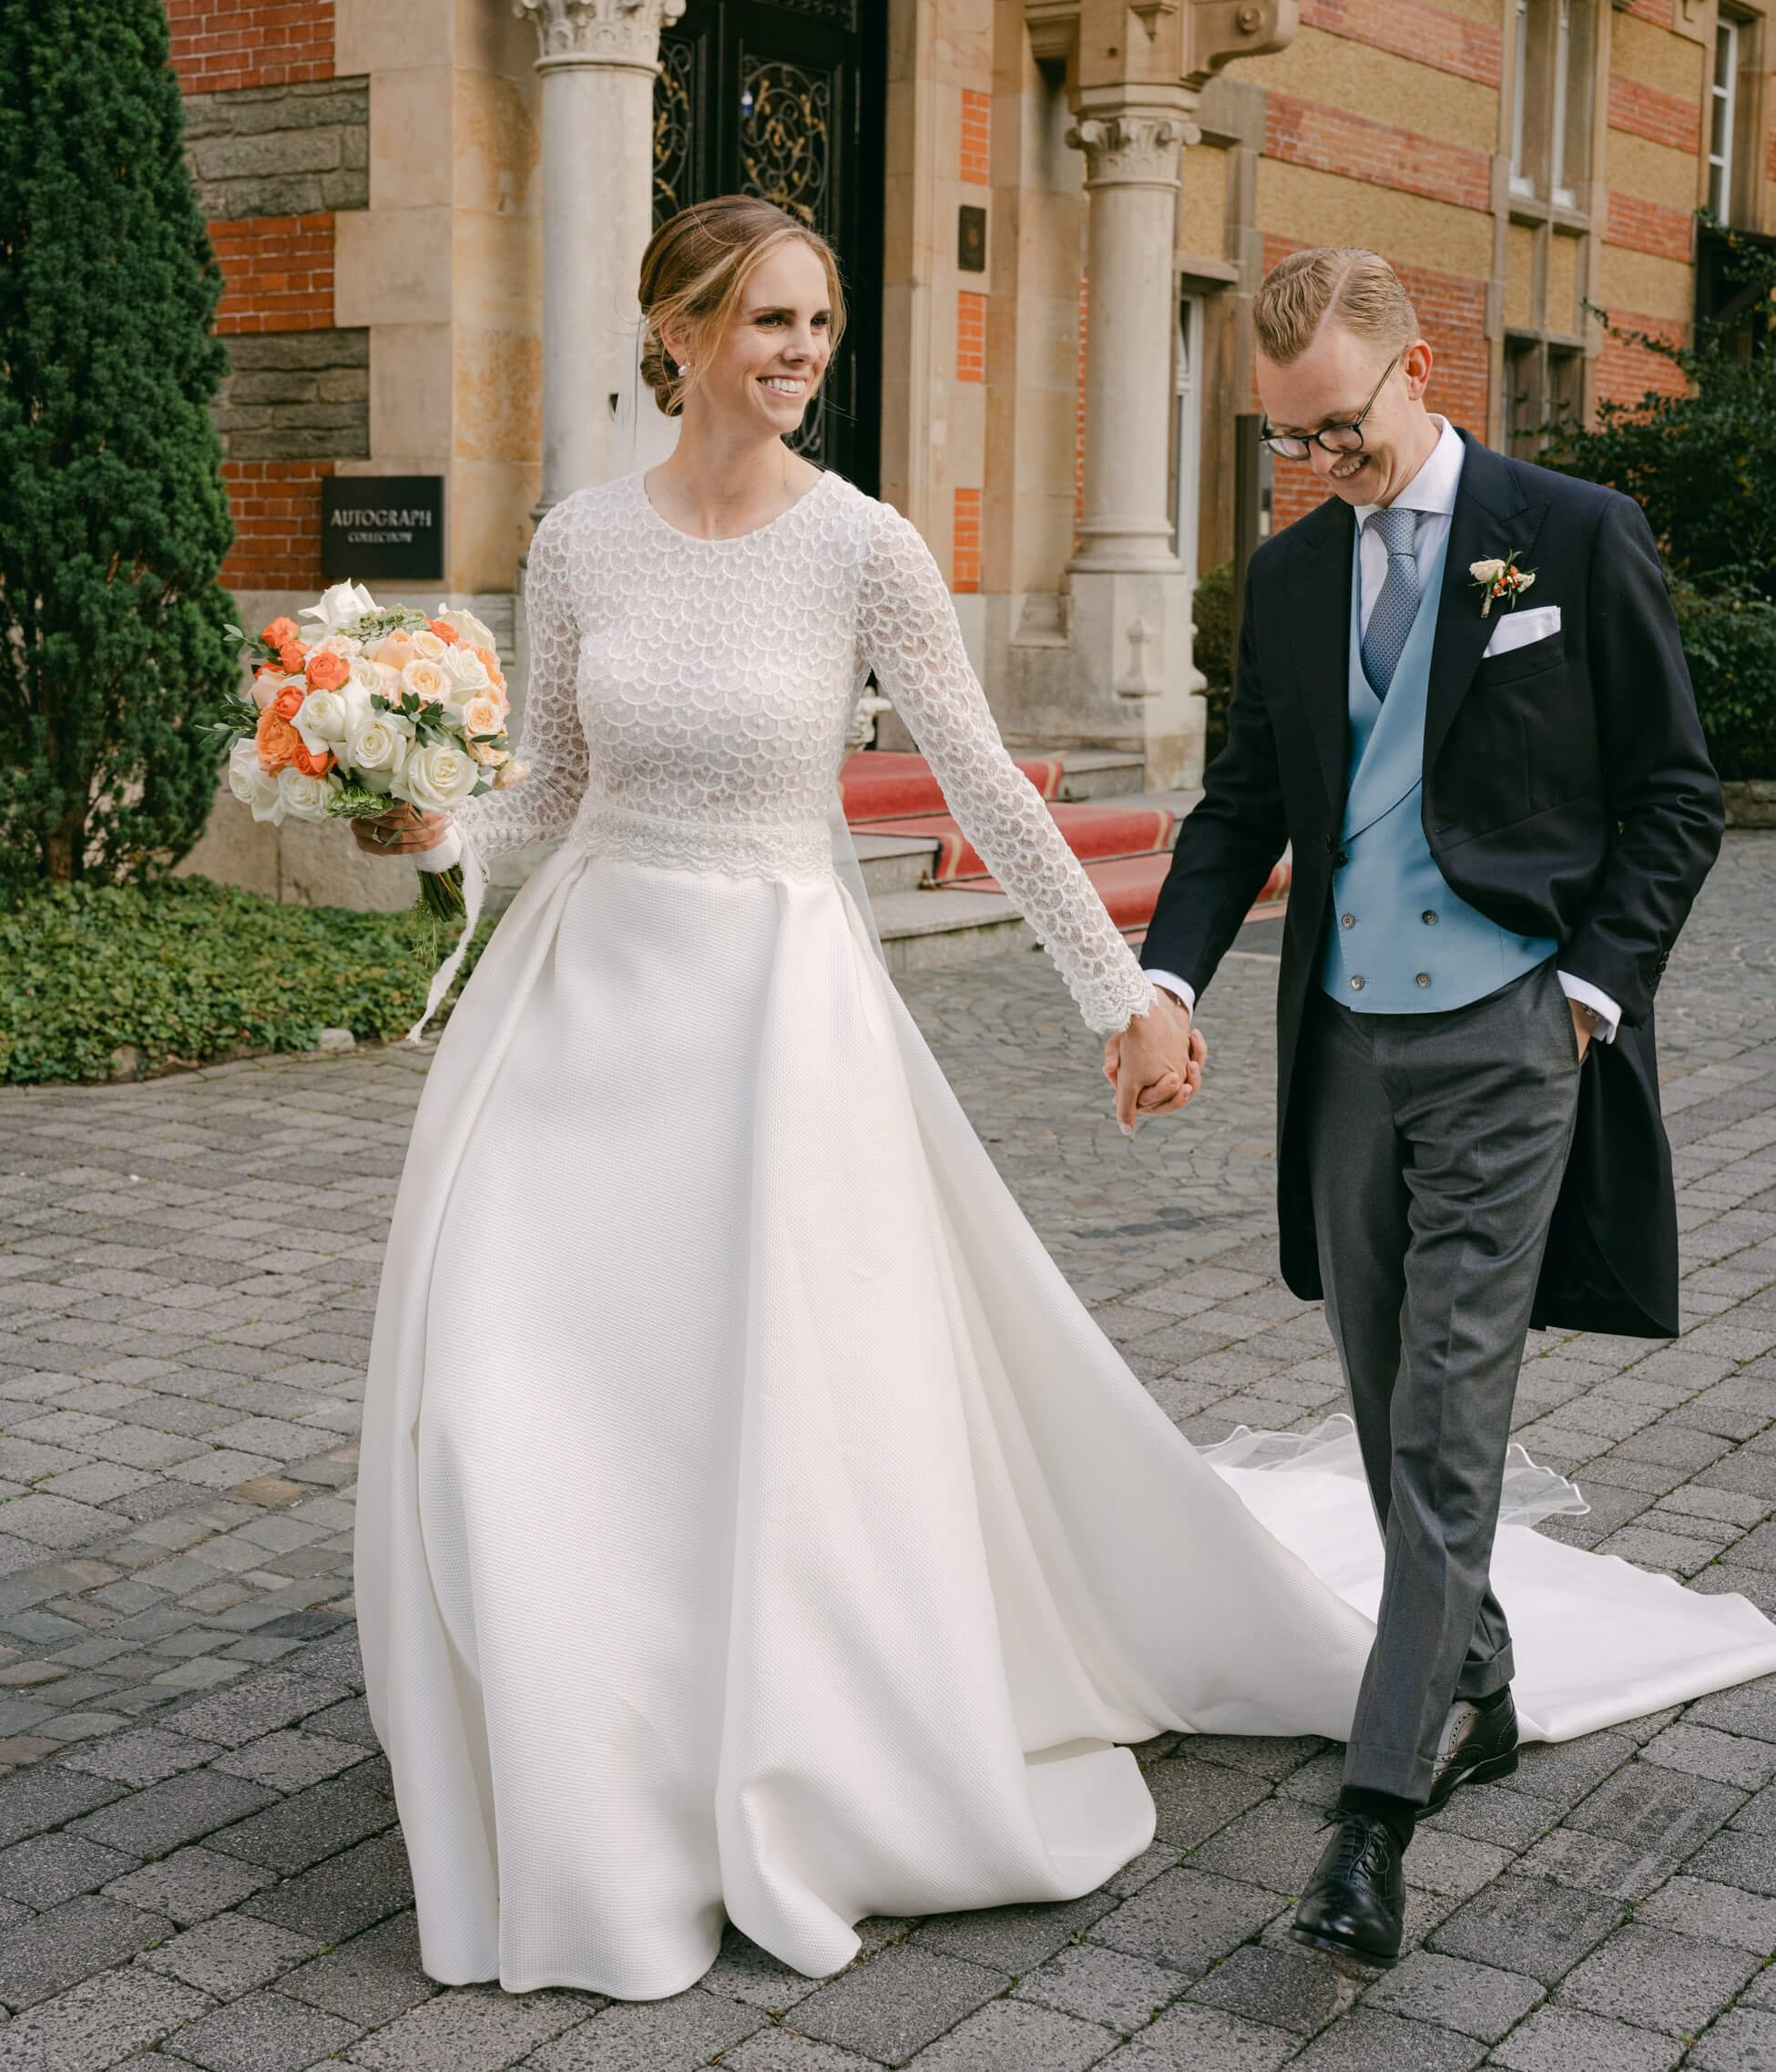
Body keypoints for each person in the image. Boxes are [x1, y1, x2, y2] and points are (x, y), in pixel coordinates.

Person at [352, 202, 1776, 2002]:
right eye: (771, 322)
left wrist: (1128, 994)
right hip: (580, 1024)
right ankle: (574, 1753)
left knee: (782, 1413)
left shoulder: (862, 547)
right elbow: (548, 777)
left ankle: (1343, 1792)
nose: (801, 352)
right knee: (506, 1407)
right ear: (678, 330)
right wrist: (431, 820)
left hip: (787, 1028)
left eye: (819, 323)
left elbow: (994, 791)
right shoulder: (574, 547)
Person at [1126, 244, 1730, 1965]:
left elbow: (1674, 796)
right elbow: (1243, 808)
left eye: (1339, 427)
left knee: (1448, 1419)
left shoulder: (1574, 530)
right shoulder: (1295, 577)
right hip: (1342, 1048)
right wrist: (1167, 981)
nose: (1323, 463)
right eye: (1289, 441)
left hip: (1508, 1041)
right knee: (1386, 1397)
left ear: (1413, 363)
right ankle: (1476, 1670)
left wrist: (1588, 996)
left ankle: (1373, 1818)